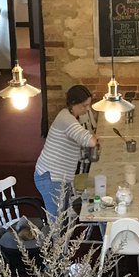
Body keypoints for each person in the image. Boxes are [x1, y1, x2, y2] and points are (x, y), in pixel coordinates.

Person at [34, 84, 98, 219]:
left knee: (61, 216)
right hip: (50, 177)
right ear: (73, 103)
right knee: (56, 222)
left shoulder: (70, 116)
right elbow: (90, 141)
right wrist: (96, 139)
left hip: (61, 177)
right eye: (84, 105)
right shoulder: (66, 119)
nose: (87, 109)